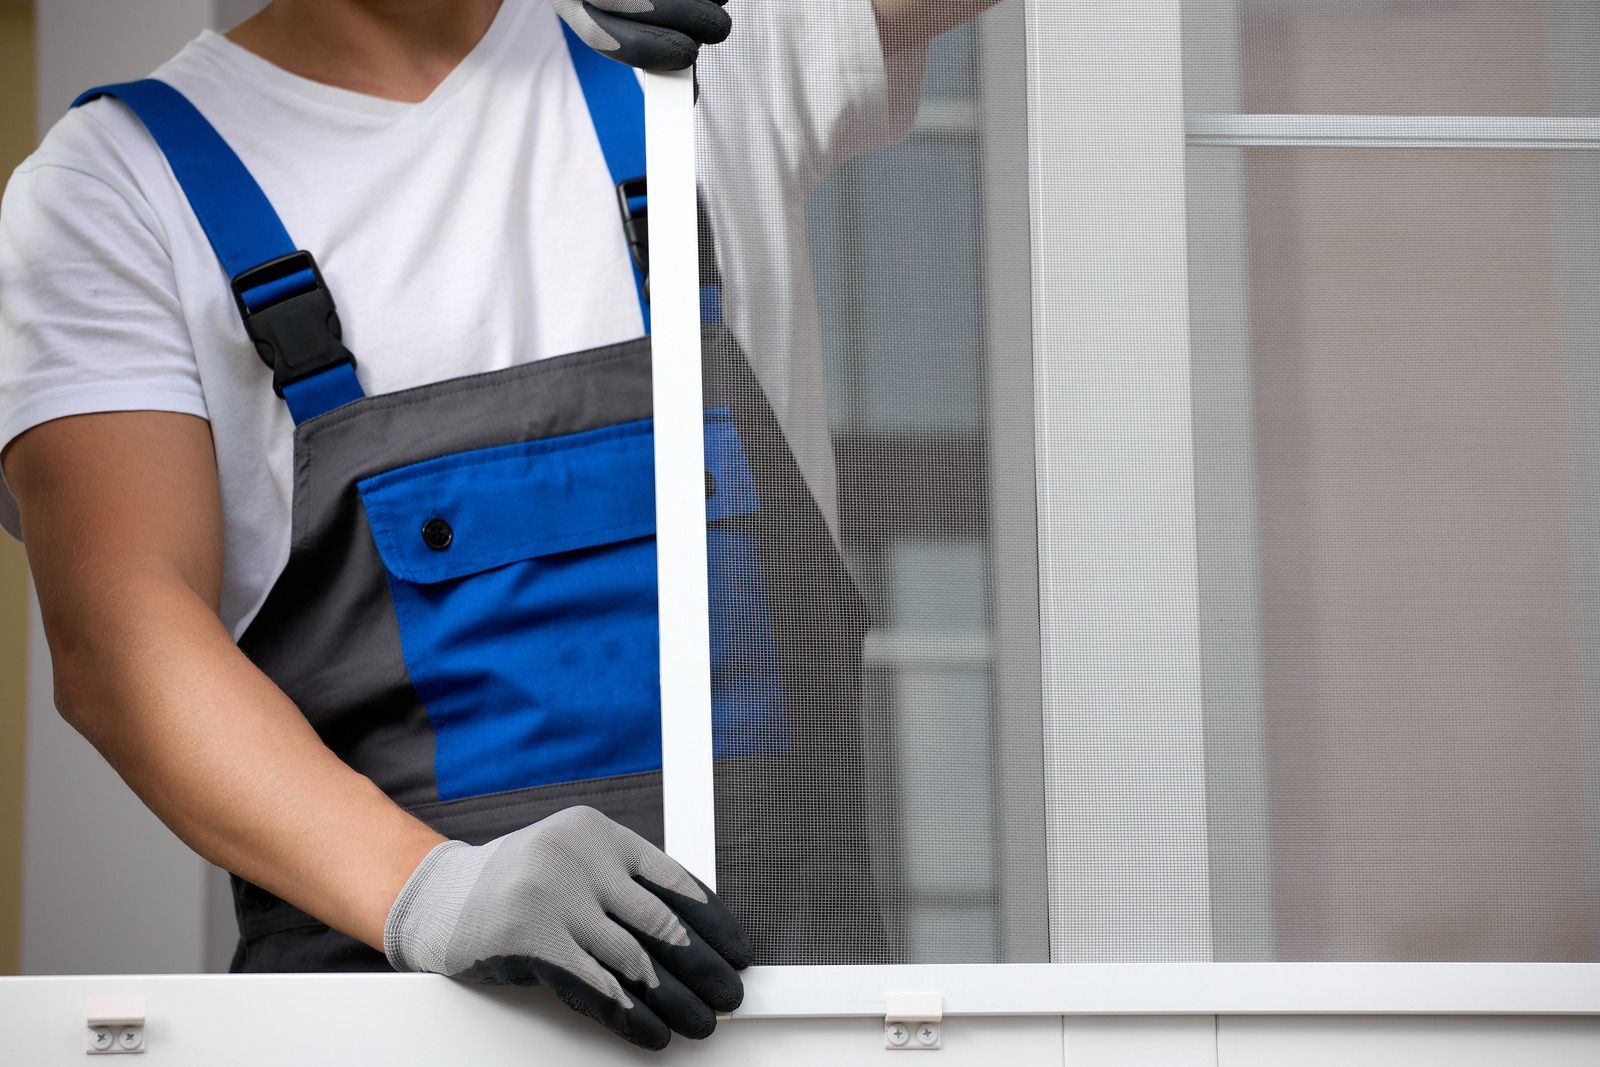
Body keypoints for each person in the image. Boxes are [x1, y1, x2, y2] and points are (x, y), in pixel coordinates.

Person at [0, 0, 996, 1050]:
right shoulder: (114, 190)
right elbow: (121, 636)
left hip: (792, 1028)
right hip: (391, 1034)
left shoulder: (687, 47)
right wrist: (433, 891)